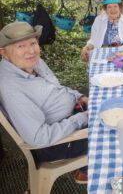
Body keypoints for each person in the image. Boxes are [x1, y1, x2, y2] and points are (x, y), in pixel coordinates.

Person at [0, 22, 88, 184]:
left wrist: (79, 97)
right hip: (53, 144)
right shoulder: (11, 87)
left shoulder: (32, 62)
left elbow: (56, 89)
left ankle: (85, 169)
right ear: (4, 53)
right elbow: (38, 138)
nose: (31, 51)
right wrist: (83, 118)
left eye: (33, 43)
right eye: (21, 46)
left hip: (71, 117)